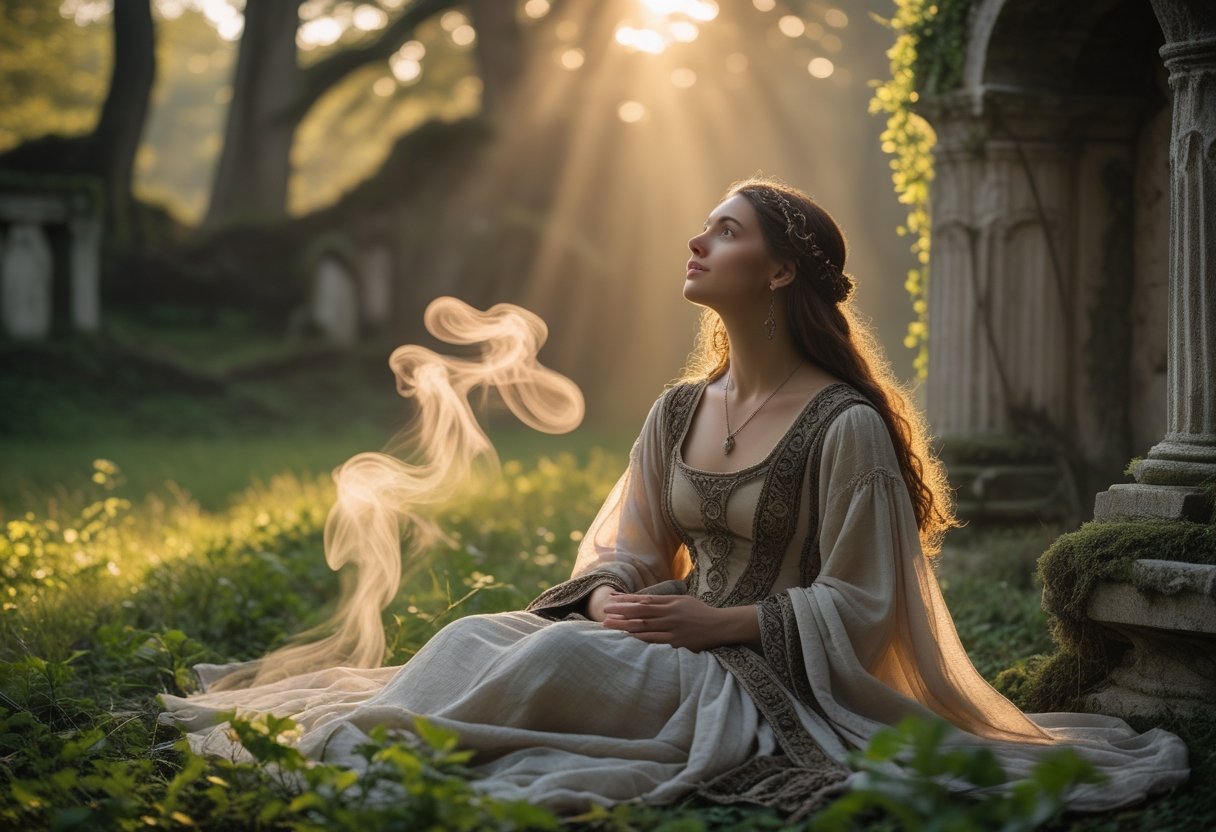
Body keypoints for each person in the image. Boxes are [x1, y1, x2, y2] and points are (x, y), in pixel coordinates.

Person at [159, 176, 1188, 820]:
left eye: (724, 231)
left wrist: (718, 620)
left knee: (552, 655)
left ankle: (374, 755)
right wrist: (612, 591)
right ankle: (378, 737)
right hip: (664, 641)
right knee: (481, 633)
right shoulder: (677, 410)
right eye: (702, 227)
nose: (696, 244)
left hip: (762, 683)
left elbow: (868, 607)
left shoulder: (846, 426)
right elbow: (635, 548)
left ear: (782, 269)